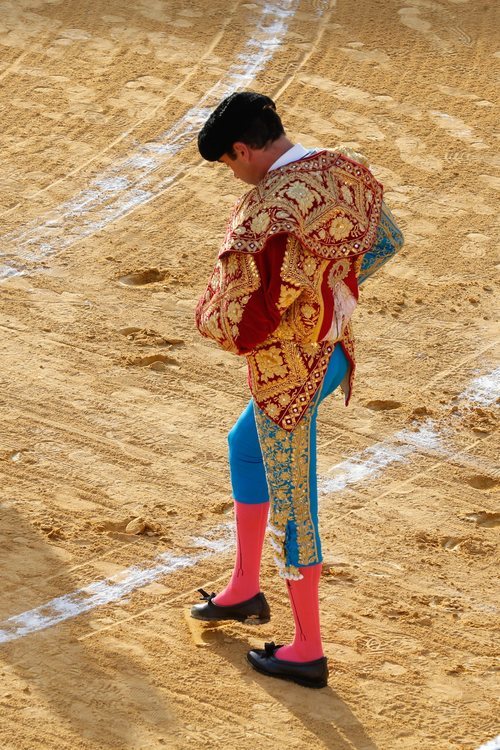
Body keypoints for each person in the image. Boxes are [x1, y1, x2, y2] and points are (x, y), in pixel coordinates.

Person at [191, 91, 404, 689]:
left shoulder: (266, 212)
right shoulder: (341, 170)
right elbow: (387, 240)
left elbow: (244, 325)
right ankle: (244, 589)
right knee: (243, 447)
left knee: (294, 502)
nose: (233, 176)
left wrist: (290, 311)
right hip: (332, 351)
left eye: (229, 164)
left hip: (290, 373)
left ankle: (307, 648)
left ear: (242, 149)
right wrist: (329, 294)